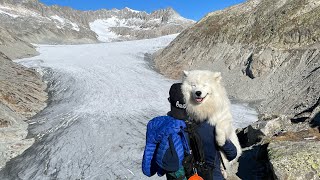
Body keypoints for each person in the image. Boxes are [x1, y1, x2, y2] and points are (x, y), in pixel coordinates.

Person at [142, 83, 190, 180]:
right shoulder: (203, 122)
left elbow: (150, 150)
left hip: (175, 174)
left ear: (169, 100)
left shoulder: (159, 125)